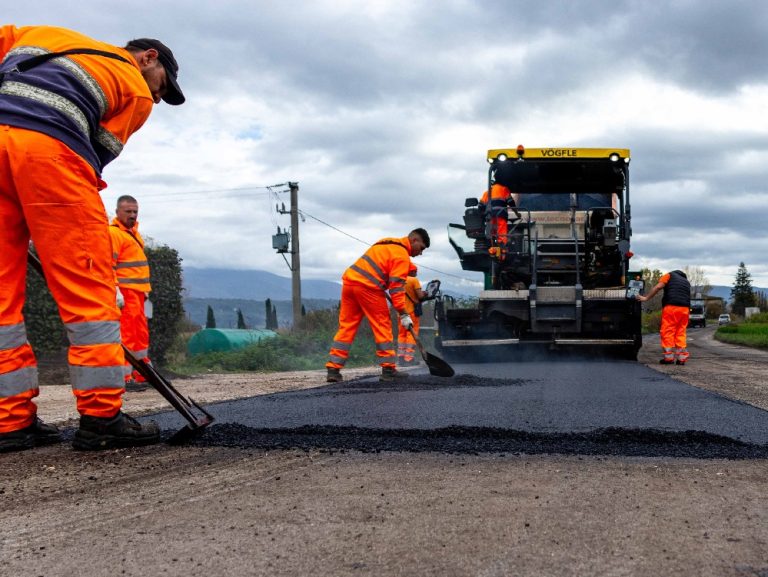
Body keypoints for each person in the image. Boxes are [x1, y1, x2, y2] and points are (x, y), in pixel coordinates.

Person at [0, 25, 185, 453]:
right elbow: (97, 152)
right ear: (149, 57)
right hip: (52, 155)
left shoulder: (42, 34)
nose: (158, 97)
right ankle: (101, 418)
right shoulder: (134, 88)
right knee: (88, 292)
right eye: (163, 86)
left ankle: (9, 422)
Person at [326, 229, 430, 382]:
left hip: (349, 284)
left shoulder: (387, 243)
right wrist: (403, 313)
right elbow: (396, 289)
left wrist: (411, 269)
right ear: (414, 240)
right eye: (421, 248)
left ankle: (333, 370)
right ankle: (388, 369)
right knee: (382, 326)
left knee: (346, 327)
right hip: (369, 288)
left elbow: (388, 262)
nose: (420, 253)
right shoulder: (401, 255)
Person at [109, 195, 153, 393]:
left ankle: (143, 373)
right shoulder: (114, 233)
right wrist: (116, 290)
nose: (133, 215)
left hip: (137, 293)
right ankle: (125, 377)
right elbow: (108, 264)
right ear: (118, 212)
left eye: (135, 211)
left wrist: (145, 292)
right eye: (128, 211)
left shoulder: (133, 234)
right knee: (127, 334)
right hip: (125, 293)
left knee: (139, 334)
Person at [636, 270, 691, 365]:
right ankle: (681, 358)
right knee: (680, 332)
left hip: (671, 307)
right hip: (685, 309)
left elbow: (658, 287)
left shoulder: (669, 275)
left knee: (668, 331)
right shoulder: (686, 281)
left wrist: (646, 298)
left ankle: (668, 358)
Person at [397, 263, 427, 366]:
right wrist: (425, 294)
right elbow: (420, 296)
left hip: (400, 312)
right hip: (411, 313)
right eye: (416, 271)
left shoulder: (399, 280)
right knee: (411, 334)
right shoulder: (413, 280)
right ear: (412, 271)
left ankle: (401, 358)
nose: (416, 273)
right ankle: (409, 359)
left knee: (401, 335)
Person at [478, 183, 519, 258]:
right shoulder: (504, 189)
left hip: (490, 217)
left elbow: (480, 206)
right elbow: (511, 202)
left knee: (492, 235)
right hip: (500, 216)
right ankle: (502, 254)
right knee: (501, 235)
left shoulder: (487, 192)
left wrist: (484, 216)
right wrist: (517, 213)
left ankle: (495, 253)